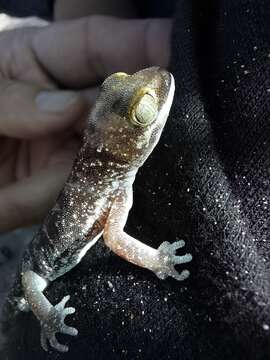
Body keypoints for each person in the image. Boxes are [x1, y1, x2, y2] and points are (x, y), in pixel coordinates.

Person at [2, 0, 270, 359]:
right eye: (145, 111)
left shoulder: (109, 173)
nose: (154, 77)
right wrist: (158, 260)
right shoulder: (116, 188)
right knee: (31, 284)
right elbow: (114, 238)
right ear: (130, 147)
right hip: (37, 271)